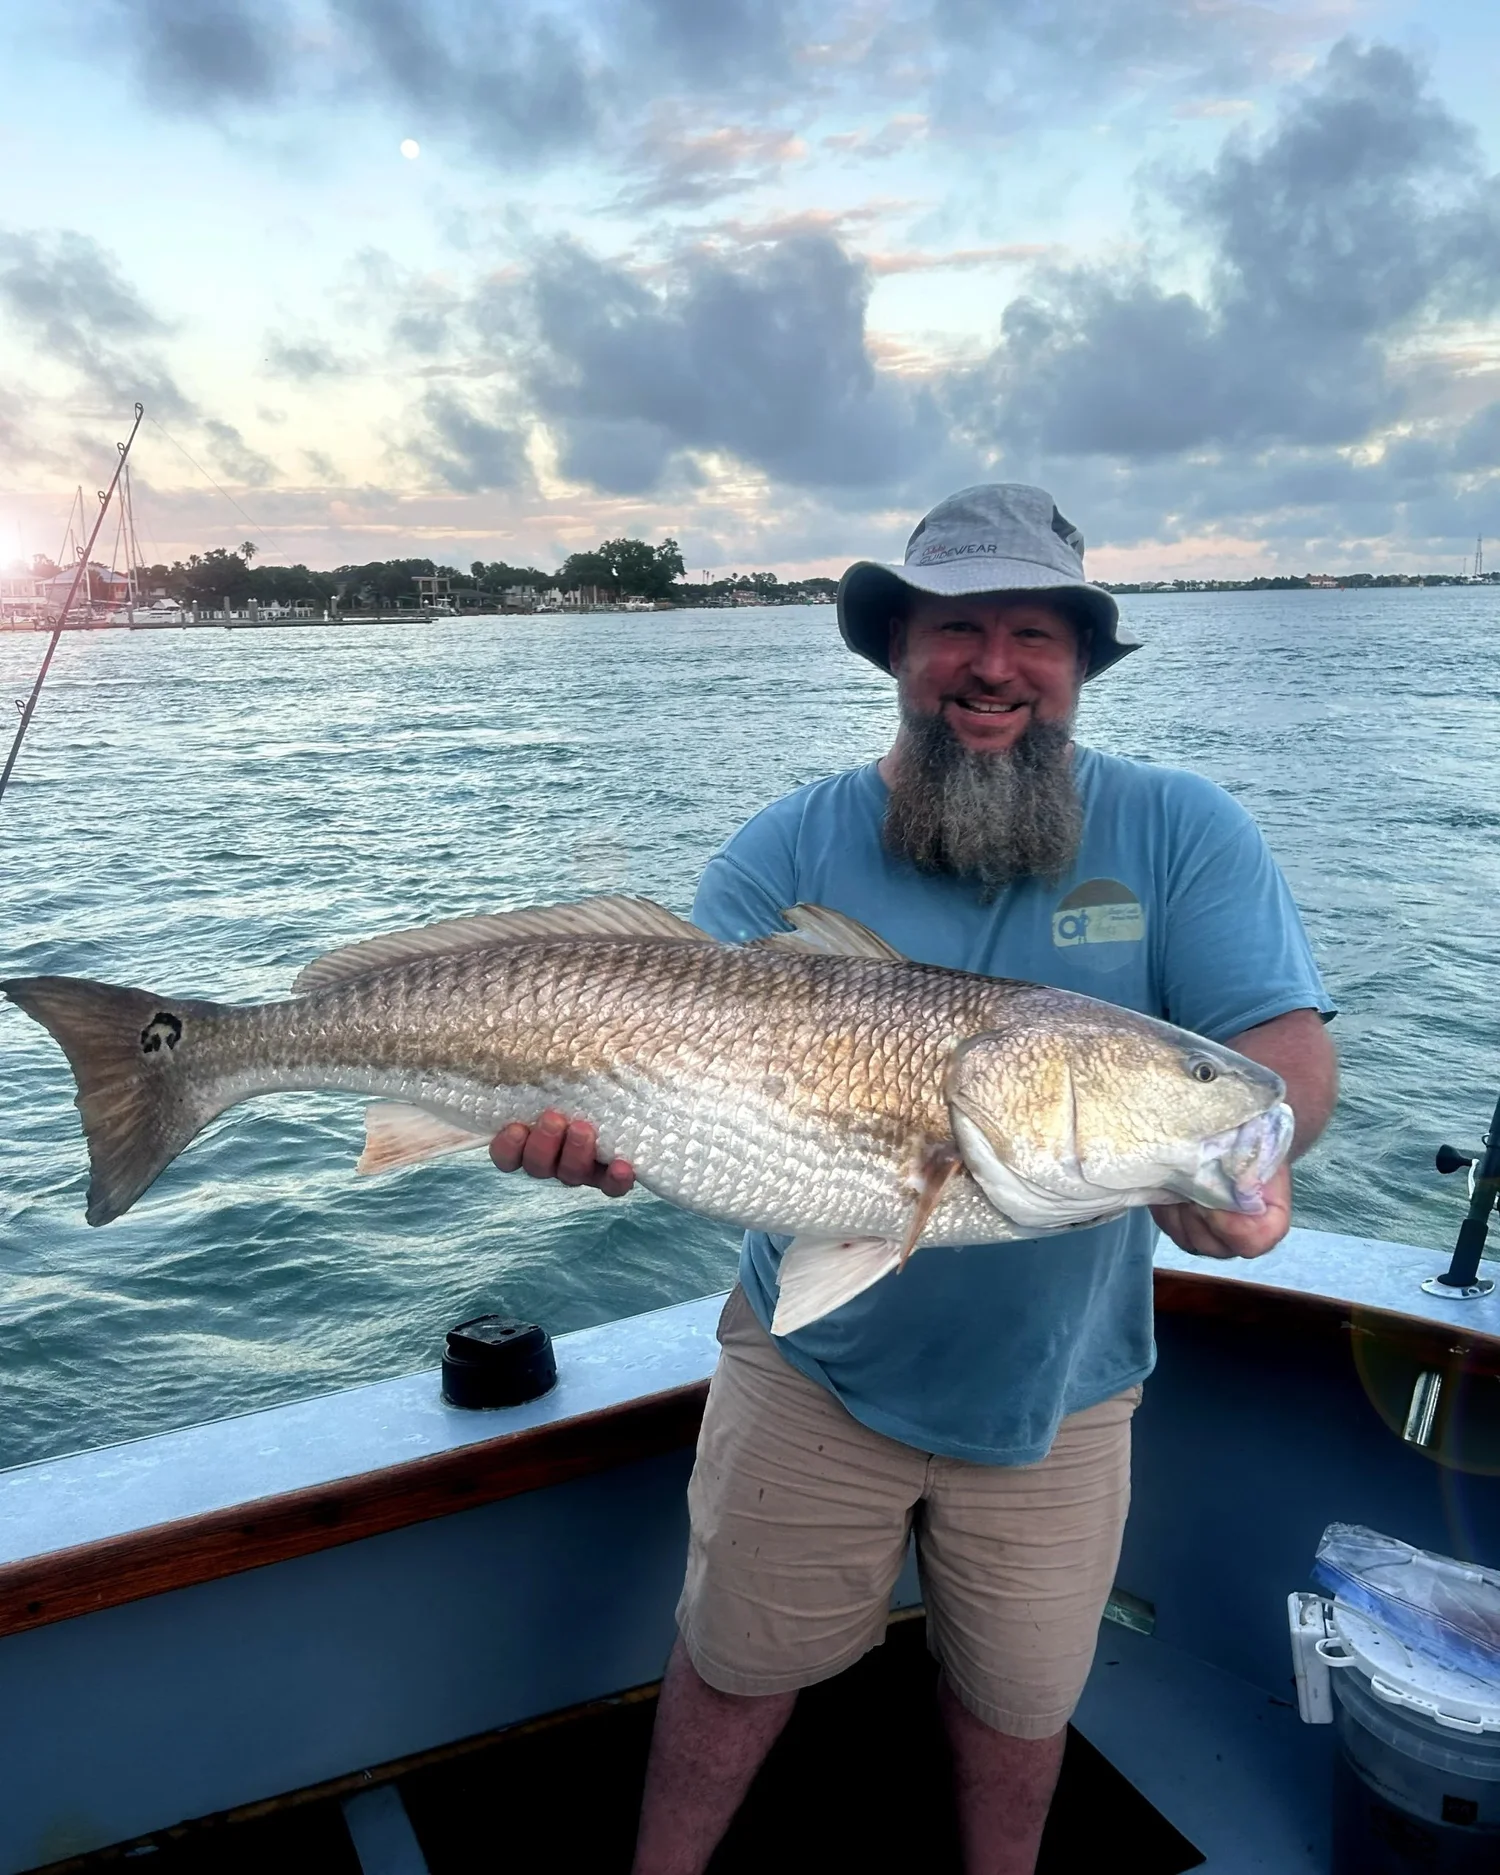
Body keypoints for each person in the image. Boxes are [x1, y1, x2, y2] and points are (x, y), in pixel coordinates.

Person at [490, 484, 1339, 1875]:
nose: (993, 667)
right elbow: (654, 1063)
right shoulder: (783, 851)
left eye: (1034, 634)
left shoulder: (1184, 828)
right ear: (896, 646)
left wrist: (1259, 1155)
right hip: (809, 1366)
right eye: (957, 628)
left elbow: (1276, 1054)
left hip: (1066, 1387)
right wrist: (591, 1140)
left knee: (1021, 1703)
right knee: (735, 1666)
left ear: (1080, 662)